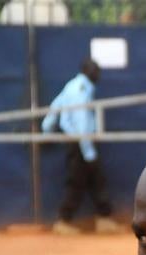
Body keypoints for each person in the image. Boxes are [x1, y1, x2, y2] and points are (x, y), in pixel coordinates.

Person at [41, 58, 120, 235]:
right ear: (87, 71)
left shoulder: (73, 85)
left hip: (78, 141)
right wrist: (88, 152)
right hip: (81, 142)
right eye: (95, 70)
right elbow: (81, 122)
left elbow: (56, 106)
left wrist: (47, 128)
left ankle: (103, 218)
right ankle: (64, 221)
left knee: (95, 180)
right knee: (77, 181)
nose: (98, 74)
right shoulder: (82, 89)